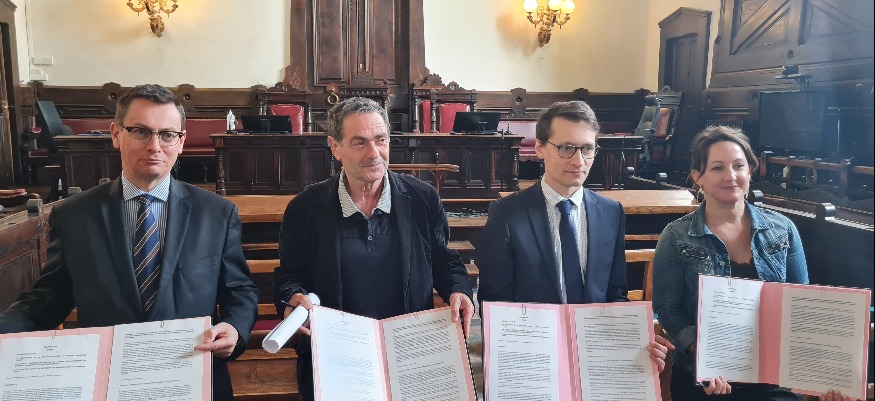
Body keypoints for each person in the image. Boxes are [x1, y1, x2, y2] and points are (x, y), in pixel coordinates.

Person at [0, 84, 259, 401]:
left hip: (191, 376)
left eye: (167, 134)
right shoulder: (74, 215)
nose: (155, 146)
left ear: (181, 141)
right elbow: (51, 295)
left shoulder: (216, 213)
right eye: (140, 131)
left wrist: (234, 327)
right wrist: (5, 328)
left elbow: (239, 289)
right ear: (116, 134)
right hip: (109, 383)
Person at [273, 96, 475, 401]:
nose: (374, 153)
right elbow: (289, 274)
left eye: (381, 140)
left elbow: (443, 259)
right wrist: (292, 295)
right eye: (359, 142)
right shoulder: (305, 208)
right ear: (334, 147)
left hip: (408, 352)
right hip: (337, 356)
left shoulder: (422, 199)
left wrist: (458, 290)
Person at [652, 126, 853, 401]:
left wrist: (824, 376)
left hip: (774, 380)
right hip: (706, 379)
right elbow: (668, 308)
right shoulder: (677, 235)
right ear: (697, 177)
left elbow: (800, 303)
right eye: (717, 168)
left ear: (750, 171)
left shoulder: (783, 229)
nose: (730, 176)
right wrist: (705, 354)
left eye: (739, 166)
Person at [476, 100, 672, 371]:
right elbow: (495, 301)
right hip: (534, 355)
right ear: (540, 148)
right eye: (566, 148)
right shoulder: (508, 213)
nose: (579, 161)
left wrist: (633, 341)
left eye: (587, 149)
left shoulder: (611, 212)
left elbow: (614, 292)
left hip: (596, 355)